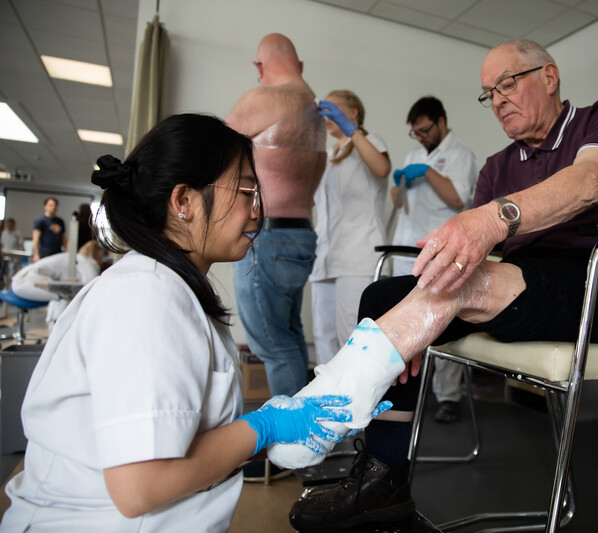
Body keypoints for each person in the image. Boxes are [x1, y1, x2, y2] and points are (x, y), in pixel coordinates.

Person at [287, 39, 598, 532]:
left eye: (507, 83)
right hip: (523, 288)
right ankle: (384, 478)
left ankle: (328, 405)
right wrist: (415, 317)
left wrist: (493, 219)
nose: (498, 99)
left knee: (455, 289)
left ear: (549, 77)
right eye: (488, 93)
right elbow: (479, 255)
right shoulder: (499, 165)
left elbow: (589, 181)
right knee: (381, 298)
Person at [0, 114, 355, 532]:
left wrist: (266, 432)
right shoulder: (147, 297)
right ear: (183, 201)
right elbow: (140, 486)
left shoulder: (168, 287)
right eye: (245, 190)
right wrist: (263, 426)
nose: (257, 211)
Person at [225, 33, 328, 483]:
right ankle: (305, 441)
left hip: (265, 236)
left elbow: (209, 151)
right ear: (298, 63)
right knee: (288, 338)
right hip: (301, 235)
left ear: (259, 66)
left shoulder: (264, 98)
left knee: (272, 344)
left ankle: (294, 449)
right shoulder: (315, 112)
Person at [391, 96, 478, 423]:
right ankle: (407, 393)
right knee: (406, 323)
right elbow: (398, 202)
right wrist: (399, 180)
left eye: (426, 130)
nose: (421, 137)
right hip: (406, 248)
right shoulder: (414, 154)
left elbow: (458, 198)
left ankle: (449, 397)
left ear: (441, 121)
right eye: (416, 132)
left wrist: (427, 172)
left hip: (441, 250)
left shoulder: (460, 155)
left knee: (442, 321)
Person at [310, 90, 391, 367]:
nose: (326, 115)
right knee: (323, 338)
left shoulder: (369, 142)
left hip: (358, 257)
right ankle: (324, 406)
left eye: (332, 107)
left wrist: (353, 132)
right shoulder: (330, 154)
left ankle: (356, 408)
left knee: (352, 338)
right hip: (325, 257)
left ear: (353, 112)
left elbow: (381, 168)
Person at [11, 240, 105, 330]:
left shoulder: (77, 258)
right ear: (97, 251)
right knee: (63, 294)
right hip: (25, 283)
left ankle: (55, 329)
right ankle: (56, 330)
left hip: (21, 280)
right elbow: (92, 285)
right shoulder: (86, 261)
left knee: (62, 293)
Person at [32, 197, 67, 261]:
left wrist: (68, 252)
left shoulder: (60, 221)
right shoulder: (40, 221)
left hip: (57, 253)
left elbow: (64, 239)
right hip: (45, 253)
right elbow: (35, 239)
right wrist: (36, 254)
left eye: (54, 205)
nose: (53, 207)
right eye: (50, 205)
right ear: (45, 207)